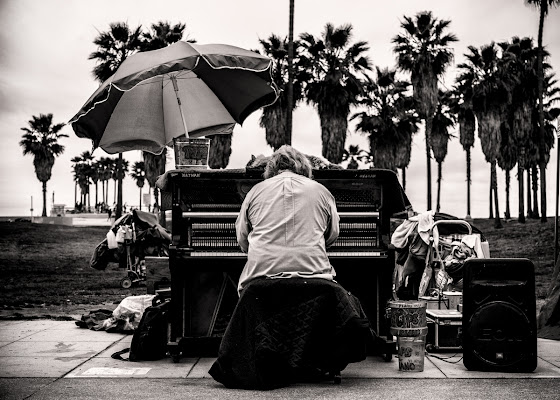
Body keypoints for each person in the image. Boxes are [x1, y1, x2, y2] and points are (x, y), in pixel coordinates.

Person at [235, 145, 340, 294]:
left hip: (260, 281)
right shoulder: (322, 191)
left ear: (271, 168)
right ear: (304, 167)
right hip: (315, 279)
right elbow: (333, 235)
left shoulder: (255, 191)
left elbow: (242, 239)